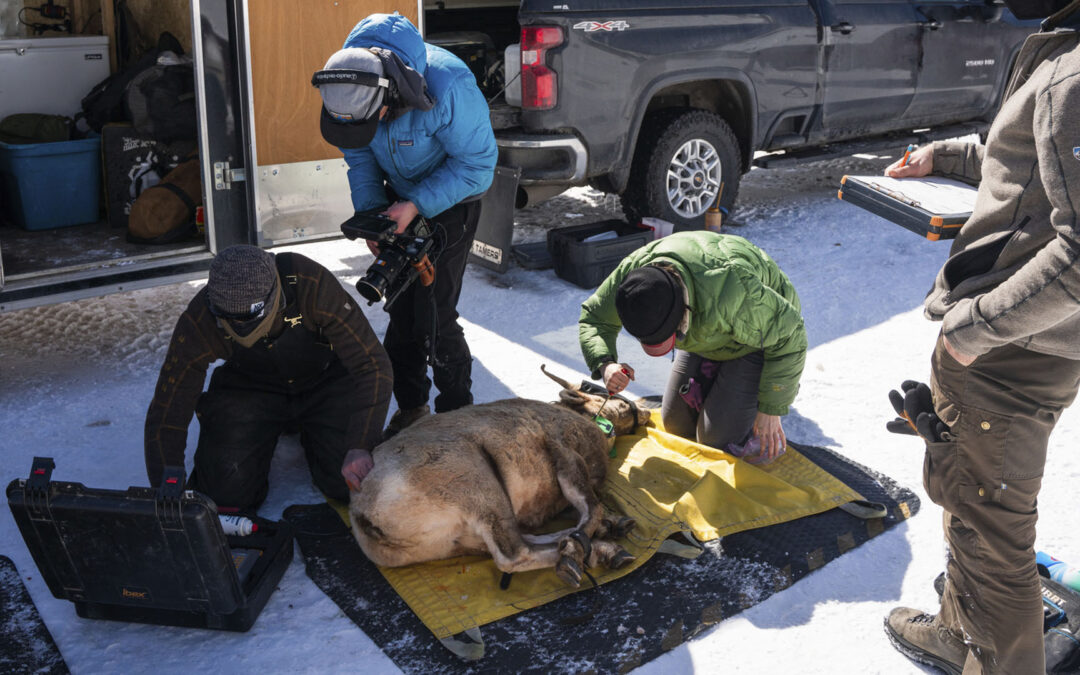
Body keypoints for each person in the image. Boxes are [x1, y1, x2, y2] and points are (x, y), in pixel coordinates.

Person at [882, 2, 1080, 672]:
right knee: (968, 499)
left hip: (1011, 350)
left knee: (994, 536)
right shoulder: (1062, 49)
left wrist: (972, 329)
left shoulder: (1074, 74)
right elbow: (1025, 169)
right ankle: (955, 629)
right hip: (1018, 342)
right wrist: (949, 154)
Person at [313, 12, 497, 438]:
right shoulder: (347, 85)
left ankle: (457, 418)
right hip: (399, 202)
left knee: (434, 317)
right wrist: (377, 218)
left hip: (453, 197)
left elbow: (479, 166)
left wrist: (415, 203)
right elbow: (359, 158)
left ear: (390, 97)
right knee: (400, 313)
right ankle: (413, 409)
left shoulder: (448, 86)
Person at [144, 245, 393, 509]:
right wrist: (167, 484)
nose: (240, 326)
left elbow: (372, 364)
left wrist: (361, 443)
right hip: (250, 388)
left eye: (249, 317)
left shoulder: (310, 283)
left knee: (353, 483)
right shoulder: (200, 317)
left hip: (324, 382)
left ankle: (315, 432)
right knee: (224, 497)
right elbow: (170, 405)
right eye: (230, 318)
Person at [578, 231, 807, 463]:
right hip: (707, 327)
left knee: (716, 442)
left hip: (756, 340)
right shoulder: (633, 279)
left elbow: (791, 336)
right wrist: (605, 363)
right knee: (675, 425)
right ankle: (720, 384)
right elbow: (595, 317)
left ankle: (746, 392)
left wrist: (771, 408)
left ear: (680, 313)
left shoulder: (734, 290)